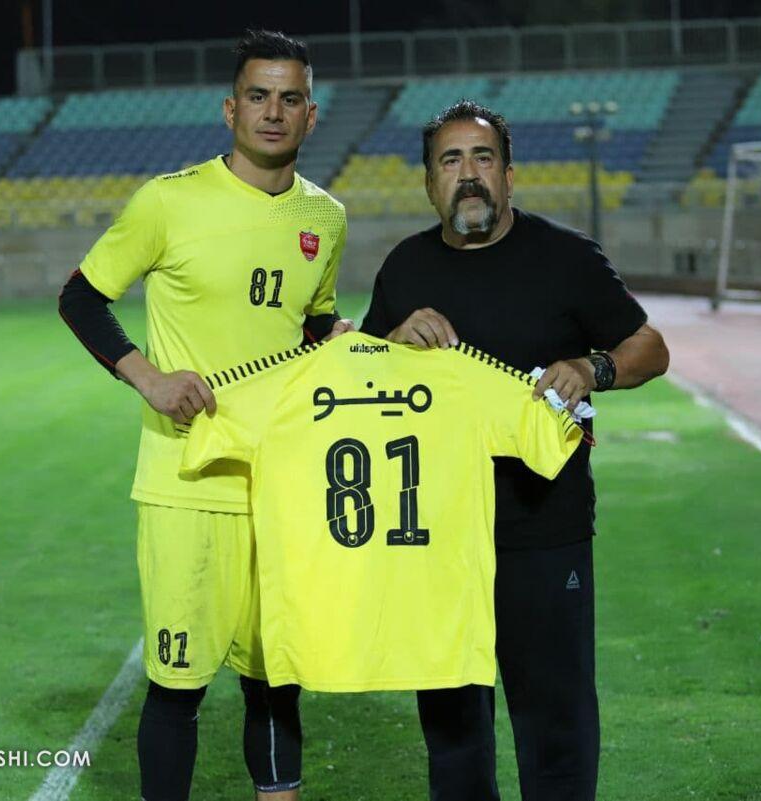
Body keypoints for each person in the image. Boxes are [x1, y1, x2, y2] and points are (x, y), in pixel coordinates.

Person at [57, 29, 351, 801]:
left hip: (281, 484)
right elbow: (81, 297)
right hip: (185, 483)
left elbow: (312, 323)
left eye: (289, 99)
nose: (273, 112)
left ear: (311, 115)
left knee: (275, 679)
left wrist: (334, 342)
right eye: (258, 96)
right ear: (230, 109)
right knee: (178, 685)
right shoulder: (168, 201)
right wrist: (148, 378)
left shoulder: (326, 217)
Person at [360, 100, 669, 801]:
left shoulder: (565, 256)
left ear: (508, 174)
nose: (468, 173)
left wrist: (593, 367)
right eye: (451, 160)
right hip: (438, 536)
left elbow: (650, 346)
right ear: (429, 182)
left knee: (555, 726)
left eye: (483, 157)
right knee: (453, 738)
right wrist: (390, 344)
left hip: (544, 530)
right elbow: (364, 386)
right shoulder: (405, 267)